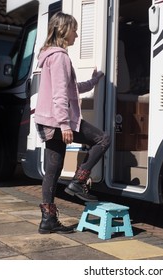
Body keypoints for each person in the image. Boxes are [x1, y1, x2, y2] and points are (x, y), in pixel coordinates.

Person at [34, 12, 110, 234]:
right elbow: (59, 94)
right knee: (103, 139)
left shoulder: (49, 55)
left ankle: (47, 220)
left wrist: (94, 81)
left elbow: (70, 89)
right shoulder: (59, 57)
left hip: (47, 120)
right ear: (64, 30)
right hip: (57, 121)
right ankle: (78, 182)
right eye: (74, 29)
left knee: (52, 169)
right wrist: (65, 125)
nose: (77, 34)